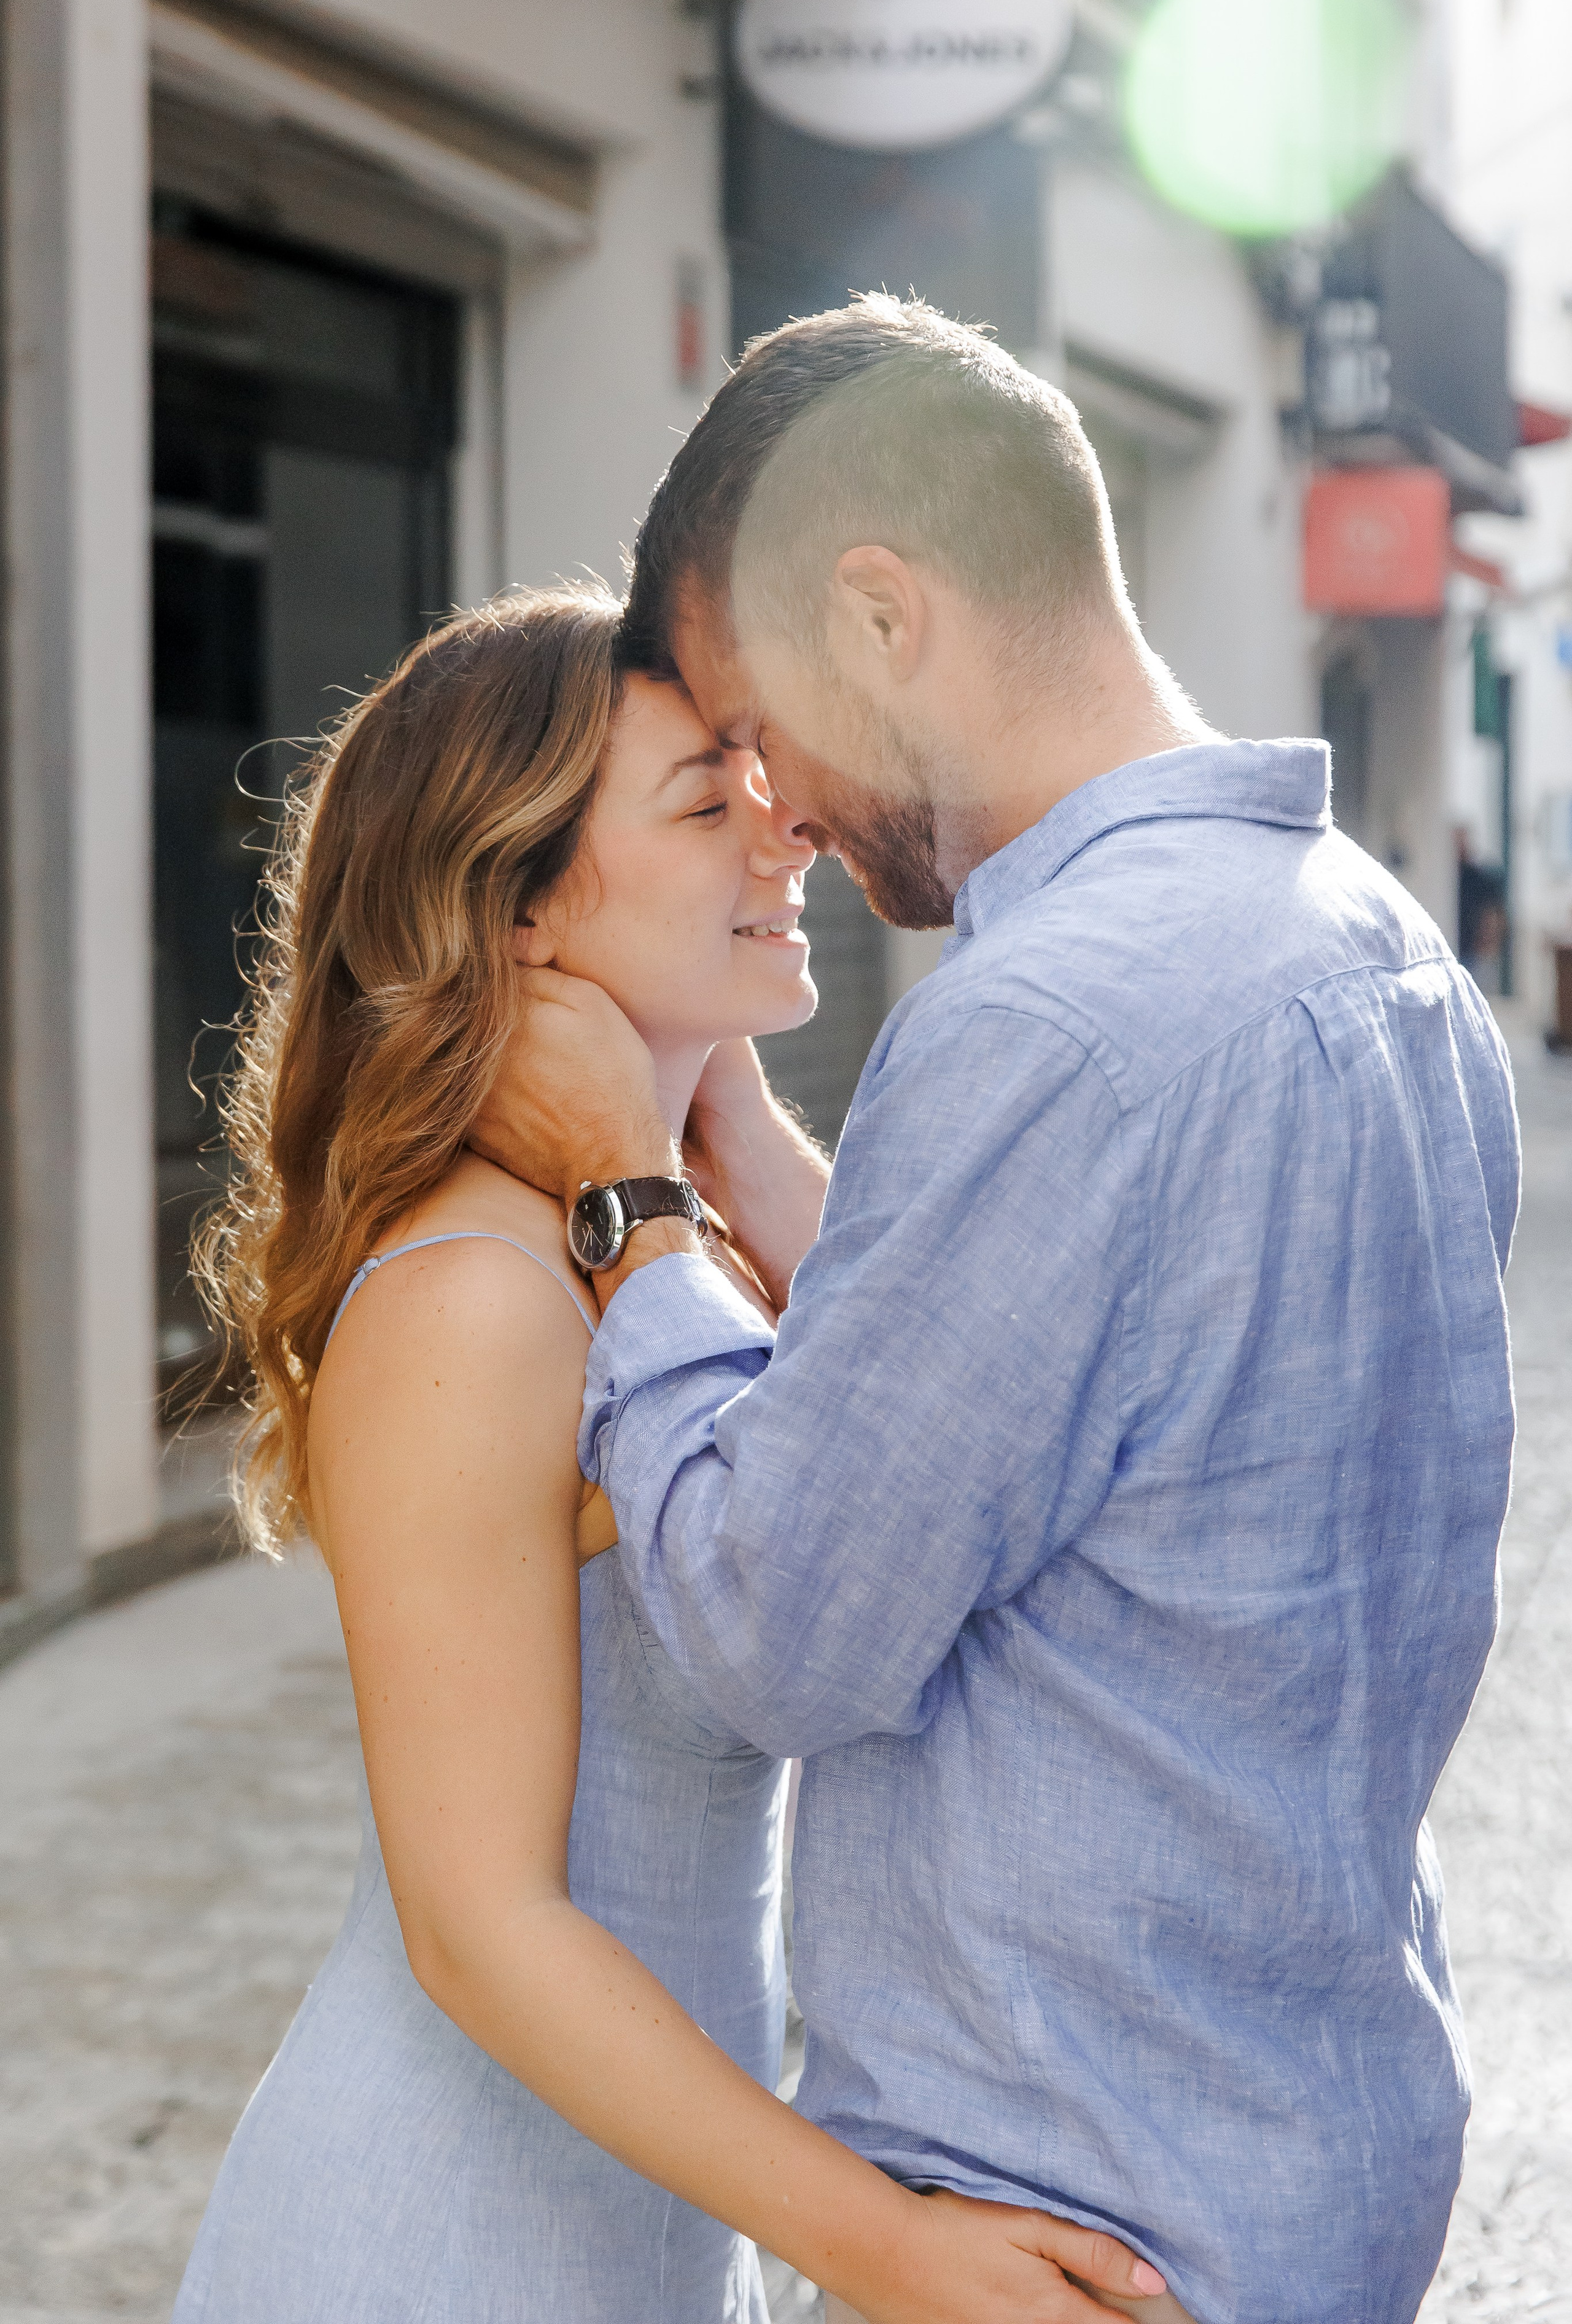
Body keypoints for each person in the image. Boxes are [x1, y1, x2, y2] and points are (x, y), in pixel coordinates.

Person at [472, 300, 1520, 2324]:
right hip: (1308, 2162)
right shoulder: (1381, 955)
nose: (775, 808)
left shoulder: (1044, 1029)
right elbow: (1051, 1379)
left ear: (880, 618)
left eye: (756, 725)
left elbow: (776, 1628)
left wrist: (629, 1203)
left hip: (1054, 2214)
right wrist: (747, 1141)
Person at [171, 586, 1162, 2324]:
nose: (790, 828)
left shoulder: (674, 1258)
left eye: (763, 782)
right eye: (707, 805)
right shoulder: (475, 1296)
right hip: (442, 2251)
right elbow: (477, 1926)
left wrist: (718, 1126)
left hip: (650, 2240)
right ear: (520, 908)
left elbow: (948, 1454)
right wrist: (883, 2246)